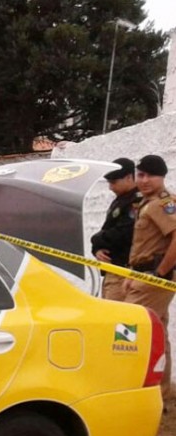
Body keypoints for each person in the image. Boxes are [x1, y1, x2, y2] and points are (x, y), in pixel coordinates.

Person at [125, 154, 176, 396]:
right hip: (143, 274)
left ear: (162, 177)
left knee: (131, 329)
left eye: (149, 175)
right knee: (158, 332)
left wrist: (160, 272)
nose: (143, 180)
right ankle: (160, 392)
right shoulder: (147, 203)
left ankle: (137, 389)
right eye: (140, 175)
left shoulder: (163, 203)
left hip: (154, 278)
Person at [91, 157, 142, 301]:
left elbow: (125, 232)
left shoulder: (136, 200)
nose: (110, 187)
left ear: (128, 177)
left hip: (123, 269)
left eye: (114, 182)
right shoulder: (121, 199)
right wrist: (97, 248)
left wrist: (96, 239)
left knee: (117, 319)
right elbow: (107, 229)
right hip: (113, 268)